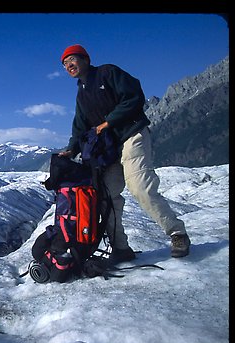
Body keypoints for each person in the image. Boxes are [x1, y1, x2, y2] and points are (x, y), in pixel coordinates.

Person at [57, 44, 191, 262]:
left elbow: (134, 97)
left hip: (132, 134)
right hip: (110, 148)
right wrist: (72, 149)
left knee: (140, 187)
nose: (68, 65)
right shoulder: (81, 93)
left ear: (85, 59)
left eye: (72, 59)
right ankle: (121, 248)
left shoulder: (107, 73)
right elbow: (80, 127)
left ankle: (177, 233)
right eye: (64, 64)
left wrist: (107, 123)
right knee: (105, 196)